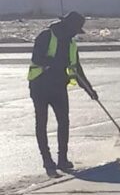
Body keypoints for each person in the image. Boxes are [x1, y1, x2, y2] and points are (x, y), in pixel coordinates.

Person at [27, 11, 98, 177]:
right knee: (42, 122)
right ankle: (47, 159)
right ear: (67, 26)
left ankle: (62, 159)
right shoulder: (45, 36)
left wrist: (90, 90)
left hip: (59, 87)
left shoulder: (71, 43)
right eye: (75, 29)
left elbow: (77, 69)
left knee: (64, 122)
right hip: (40, 86)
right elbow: (37, 59)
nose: (75, 33)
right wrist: (56, 63)